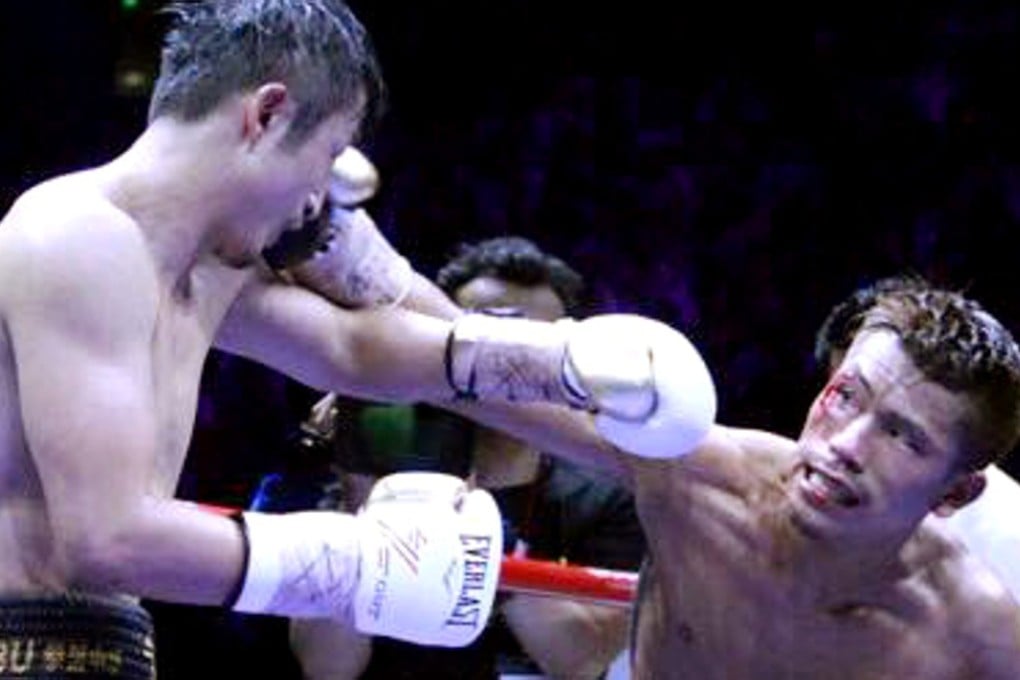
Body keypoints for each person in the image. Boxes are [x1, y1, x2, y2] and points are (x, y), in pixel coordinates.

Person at [0, 2, 715, 676]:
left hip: (108, 641)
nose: (317, 201)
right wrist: (366, 564)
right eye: (327, 152)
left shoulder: (205, 270)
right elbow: (107, 540)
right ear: (268, 113)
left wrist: (562, 363)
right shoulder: (78, 235)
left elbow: (352, 350)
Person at [279, 237, 646, 679]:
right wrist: (364, 507)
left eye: (528, 348)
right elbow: (326, 667)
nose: (504, 369)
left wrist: (491, 540)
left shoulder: (609, 491)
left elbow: (583, 661)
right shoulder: (381, 460)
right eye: (487, 346)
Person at [813, 274, 1020, 602]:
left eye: (898, 433)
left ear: (957, 492)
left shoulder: (1006, 544)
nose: (844, 444)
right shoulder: (737, 486)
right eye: (847, 396)